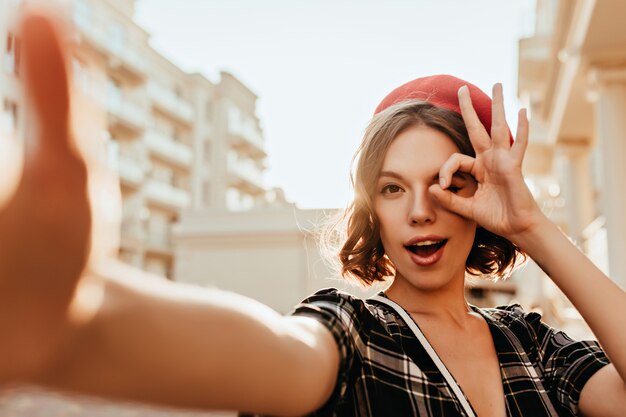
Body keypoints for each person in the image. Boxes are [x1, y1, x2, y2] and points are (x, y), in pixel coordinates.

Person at [1, 9, 625, 417]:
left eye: (444, 185)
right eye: (390, 188)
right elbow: (275, 353)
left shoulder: (532, 343)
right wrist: (78, 331)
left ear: (477, 201)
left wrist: (532, 227)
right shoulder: (357, 331)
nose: (417, 212)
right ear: (370, 210)